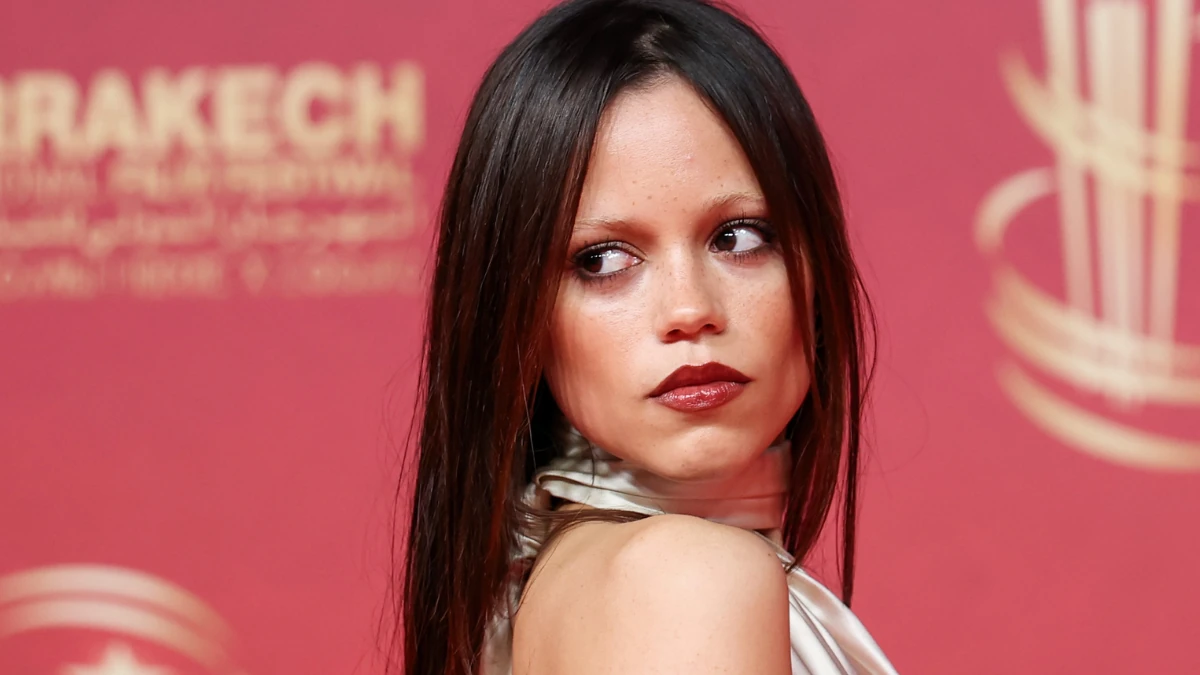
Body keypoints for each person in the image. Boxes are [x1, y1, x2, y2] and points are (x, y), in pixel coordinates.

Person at [393, 0, 897, 673]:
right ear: (518, 315)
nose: (690, 309)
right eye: (602, 260)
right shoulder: (688, 581)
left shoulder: (559, 581)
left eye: (738, 238)